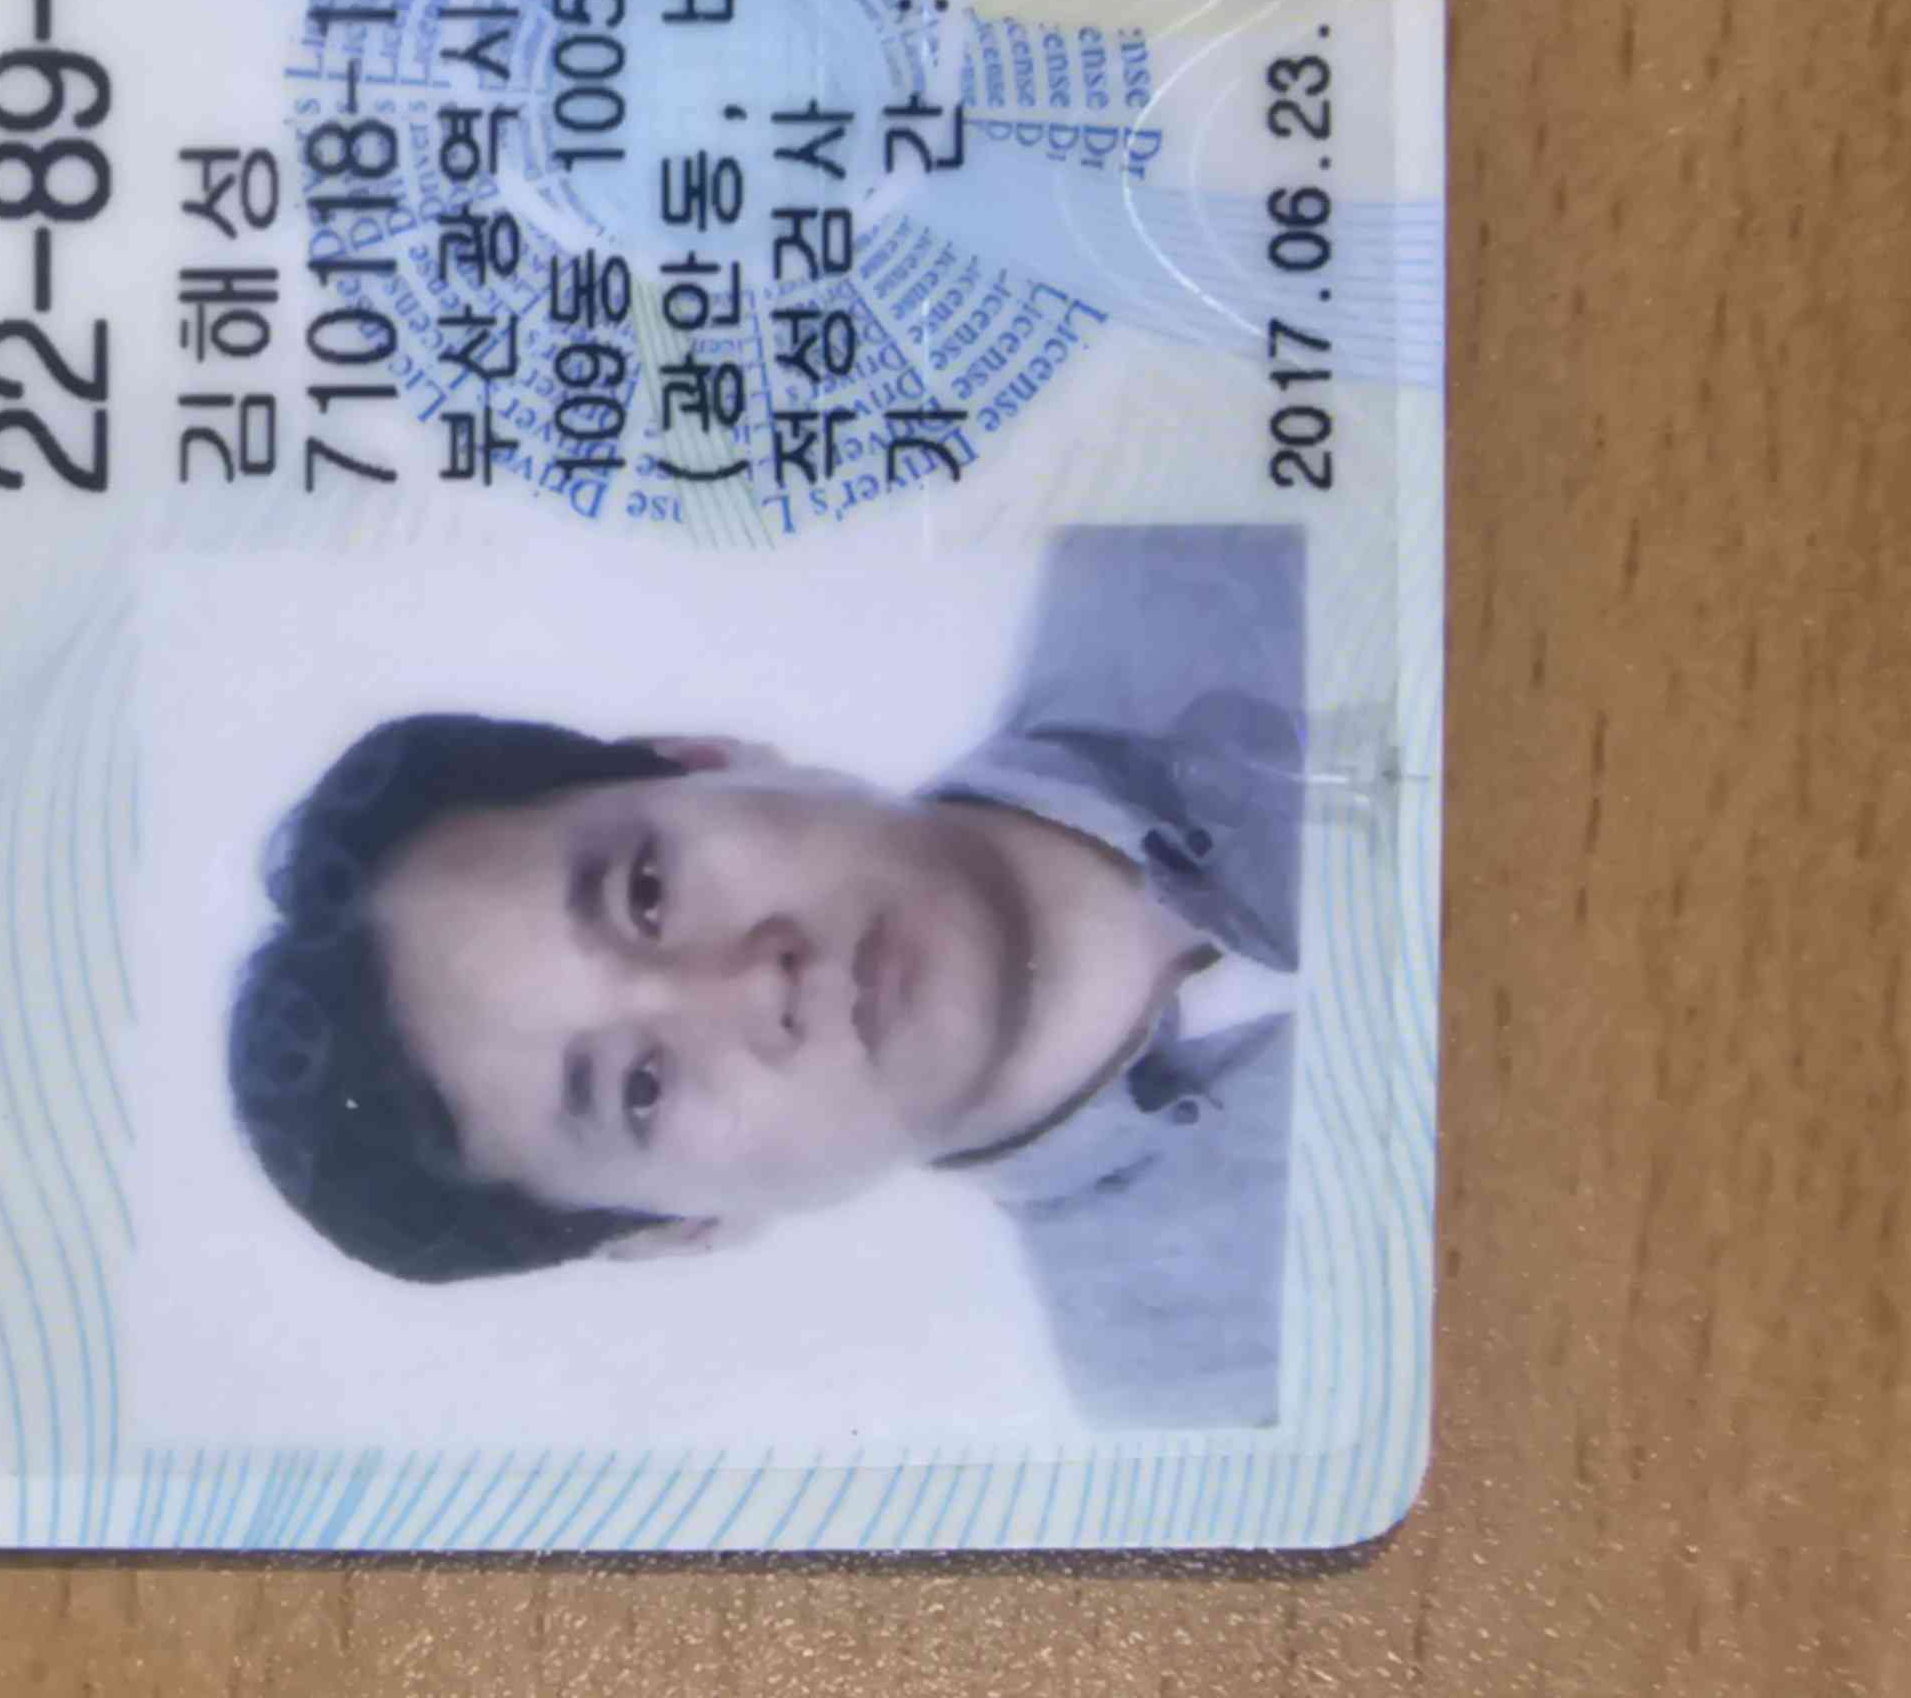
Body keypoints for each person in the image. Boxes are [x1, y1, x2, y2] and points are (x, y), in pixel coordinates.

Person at [223, 526, 1307, 1427]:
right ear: (680, 1229)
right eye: (642, 1089)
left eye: (646, 892)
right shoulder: (1194, 1384)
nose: (750, 987)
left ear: (705, 758)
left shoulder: (1192, 531)